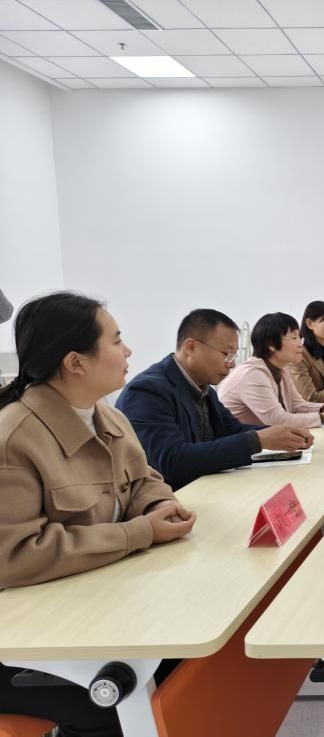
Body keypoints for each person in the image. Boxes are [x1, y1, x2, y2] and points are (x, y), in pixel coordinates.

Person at [0, 292, 195, 736]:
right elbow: (15, 555)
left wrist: (159, 505)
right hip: (22, 642)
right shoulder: (14, 439)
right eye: (117, 340)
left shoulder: (107, 416)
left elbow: (144, 479)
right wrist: (140, 533)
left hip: (90, 611)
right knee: (118, 704)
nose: (128, 351)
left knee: (181, 664)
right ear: (75, 362)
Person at [117, 309, 314, 490]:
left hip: (206, 488)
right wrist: (259, 440)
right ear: (191, 347)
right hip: (174, 500)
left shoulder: (204, 388)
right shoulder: (147, 391)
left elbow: (231, 429)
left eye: (234, 355)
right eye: (227, 354)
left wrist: (281, 434)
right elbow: (172, 462)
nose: (232, 364)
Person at [219, 313, 324, 428]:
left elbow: (297, 405)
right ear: (271, 345)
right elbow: (277, 420)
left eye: (299, 338)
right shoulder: (252, 374)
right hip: (241, 443)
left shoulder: (281, 369)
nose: (300, 344)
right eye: (294, 338)